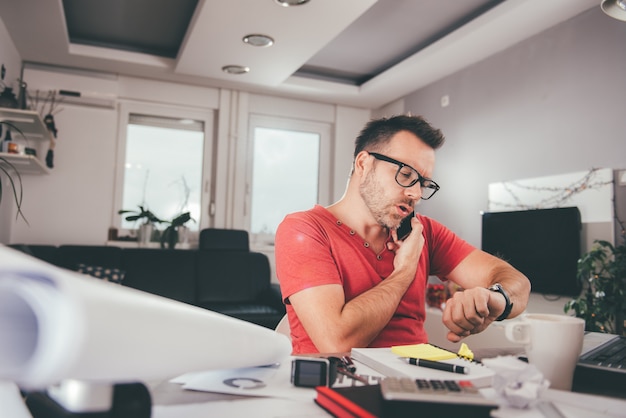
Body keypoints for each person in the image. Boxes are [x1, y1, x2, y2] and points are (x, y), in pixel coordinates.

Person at [275, 114, 531, 354]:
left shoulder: (424, 232)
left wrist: (495, 298)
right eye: (406, 174)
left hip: (416, 382)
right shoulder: (304, 230)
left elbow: (518, 283)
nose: (416, 194)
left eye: (424, 183)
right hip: (335, 387)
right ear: (363, 163)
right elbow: (337, 342)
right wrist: (405, 272)